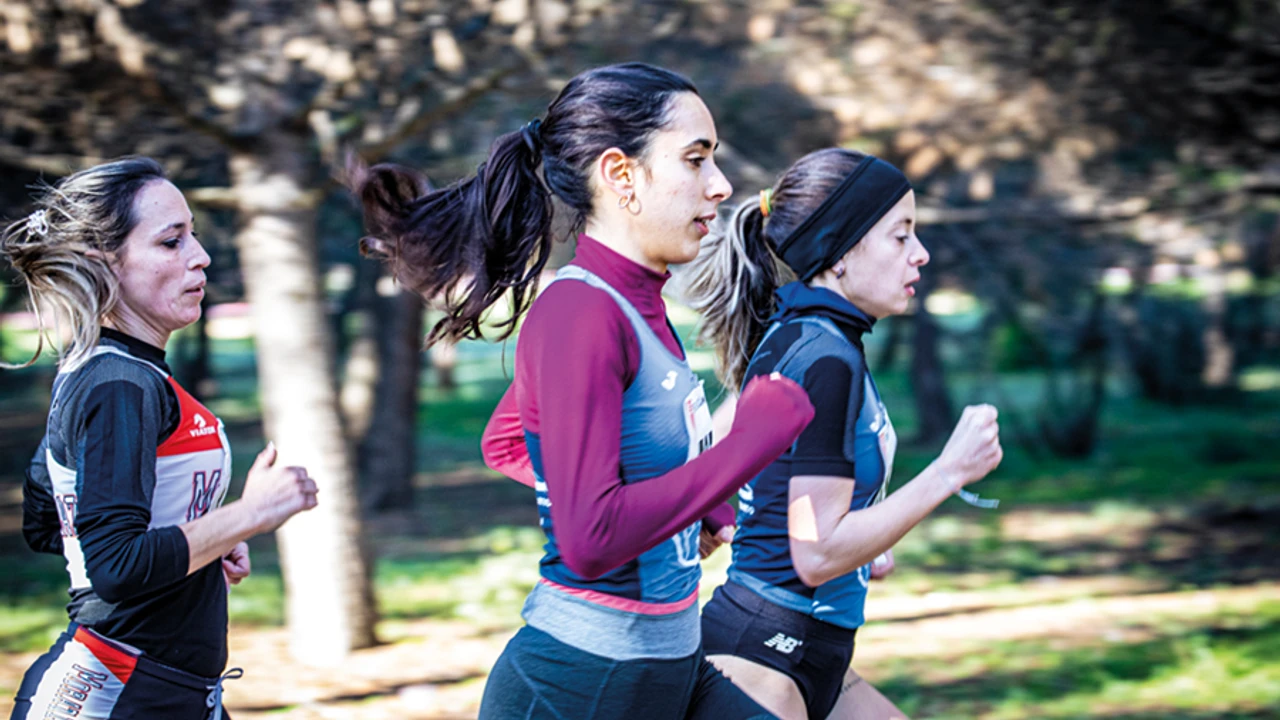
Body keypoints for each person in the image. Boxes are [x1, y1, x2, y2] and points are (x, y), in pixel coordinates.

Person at [348, 62, 814, 719]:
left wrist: (692, 509)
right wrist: (745, 446)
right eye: (696, 160)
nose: (720, 185)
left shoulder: (639, 303)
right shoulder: (581, 313)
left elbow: (510, 441)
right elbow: (590, 538)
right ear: (621, 175)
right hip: (579, 685)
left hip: (663, 666)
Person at [682, 148, 1004, 720]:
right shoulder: (823, 355)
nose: (921, 254)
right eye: (900, 235)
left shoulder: (810, 338)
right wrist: (949, 471)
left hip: (810, 650)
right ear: (841, 250)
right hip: (766, 658)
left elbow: (764, 480)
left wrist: (865, 547)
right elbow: (817, 552)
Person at [3, 157, 319, 719]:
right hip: (114, 695)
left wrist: (204, 538)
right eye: (171, 242)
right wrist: (248, 515)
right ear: (105, 262)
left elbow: (51, 521)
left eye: (192, 235)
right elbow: (113, 566)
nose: (200, 256)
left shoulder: (110, 371)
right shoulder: (118, 383)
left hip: (167, 694)